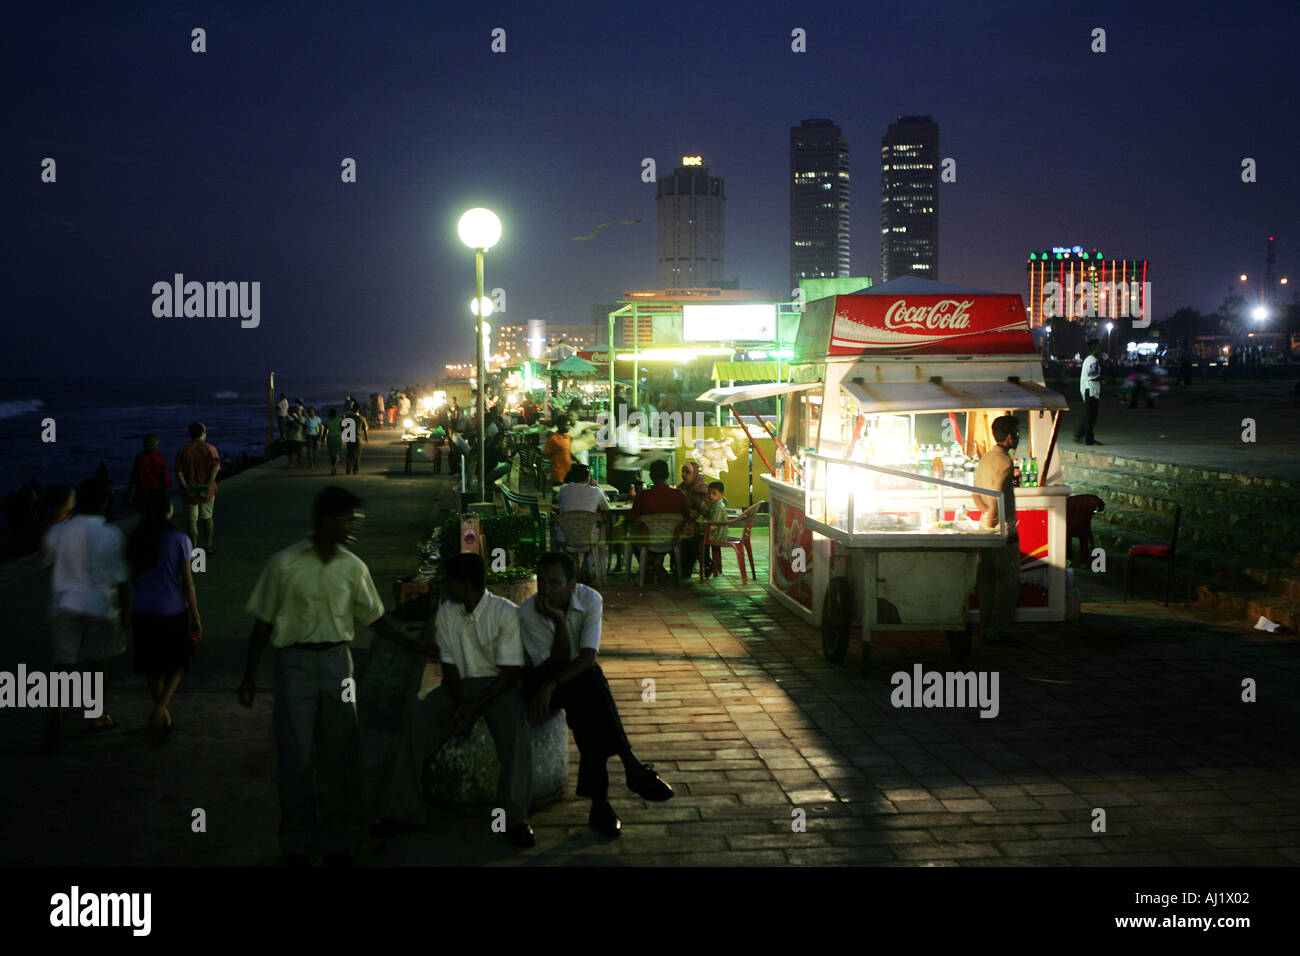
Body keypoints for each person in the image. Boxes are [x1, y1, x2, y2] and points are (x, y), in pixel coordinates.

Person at [238, 487, 430, 866]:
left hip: (338, 665)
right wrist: (249, 676)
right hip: (294, 666)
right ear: (327, 519)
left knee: (340, 754)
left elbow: (374, 618)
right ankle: (296, 840)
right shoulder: (284, 564)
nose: (353, 524)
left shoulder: (352, 566)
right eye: (347, 517)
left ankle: (338, 839)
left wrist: (414, 646)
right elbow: (263, 622)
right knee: (295, 757)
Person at [372, 552, 535, 849]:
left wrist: (475, 706)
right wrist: (462, 702)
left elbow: (511, 671)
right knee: (417, 722)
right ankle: (405, 812)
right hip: (457, 685)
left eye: (450, 581)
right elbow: (447, 664)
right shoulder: (447, 611)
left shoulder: (505, 612)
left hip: (497, 687)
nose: (445, 587)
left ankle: (514, 817)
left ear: (465, 585)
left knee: (515, 731)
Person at [518, 553, 673, 838]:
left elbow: (588, 657)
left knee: (589, 697)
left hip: (568, 680)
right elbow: (554, 662)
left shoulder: (590, 599)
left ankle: (602, 802)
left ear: (572, 585)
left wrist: (553, 682)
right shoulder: (529, 612)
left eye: (554, 583)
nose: (545, 589)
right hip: (538, 681)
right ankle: (629, 768)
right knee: (592, 688)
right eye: (541, 581)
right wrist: (560, 621)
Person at [40, 478, 130, 744]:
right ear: (105, 502)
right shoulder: (112, 534)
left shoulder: (59, 531)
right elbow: (121, 579)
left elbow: (44, 560)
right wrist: (126, 612)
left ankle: (56, 716)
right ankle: (97, 715)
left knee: (63, 665)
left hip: (64, 603)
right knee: (98, 663)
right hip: (99, 605)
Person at [126, 488, 200, 735]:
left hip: (143, 608)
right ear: (169, 511)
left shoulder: (135, 539)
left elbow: (133, 578)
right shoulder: (180, 539)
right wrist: (196, 616)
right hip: (172, 608)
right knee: (176, 663)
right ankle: (161, 710)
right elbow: (187, 581)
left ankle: (160, 709)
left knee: (151, 665)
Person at [972, 416, 1022, 648]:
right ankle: (997, 631)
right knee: (1008, 581)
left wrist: (985, 517)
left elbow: (976, 495)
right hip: (1003, 530)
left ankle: (985, 628)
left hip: (985, 529)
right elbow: (997, 495)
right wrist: (994, 519)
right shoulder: (1004, 462)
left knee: (986, 580)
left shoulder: (986, 458)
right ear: (1010, 436)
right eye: (1018, 433)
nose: (1019, 437)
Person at [626, 459, 690, 579]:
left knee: (633, 536)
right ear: (667, 475)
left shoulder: (643, 496)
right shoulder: (678, 494)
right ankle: (656, 563)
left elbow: (632, 517)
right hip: (672, 539)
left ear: (650, 476)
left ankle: (649, 565)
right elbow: (686, 516)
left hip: (648, 539)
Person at [174, 422, 220, 553]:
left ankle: (194, 550)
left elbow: (178, 471)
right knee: (207, 517)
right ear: (203, 433)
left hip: (190, 490)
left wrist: (185, 487)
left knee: (191, 521)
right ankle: (208, 546)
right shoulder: (210, 449)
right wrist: (207, 486)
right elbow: (214, 470)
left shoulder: (183, 451)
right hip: (207, 490)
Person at [677, 460, 711, 577]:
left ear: (695, 474)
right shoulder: (682, 487)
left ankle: (688, 567)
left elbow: (707, 511)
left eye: (688, 472)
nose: (684, 475)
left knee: (691, 533)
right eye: (683, 472)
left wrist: (693, 512)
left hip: (702, 524)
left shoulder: (702, 488)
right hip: (685, 521)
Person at [126, 434, 171, 510]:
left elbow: (134, 480)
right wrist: (167, 495)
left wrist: (130, 497)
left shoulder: (139, 459)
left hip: (142, 494)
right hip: (157, 494)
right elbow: (166, 479)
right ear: (156, 443)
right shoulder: (161, 458)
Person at [1072, 339, 1103, 445]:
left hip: (1088, 390)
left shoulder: (1088, 359)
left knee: (1088, 415)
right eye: (1099, 346)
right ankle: (1088, 439)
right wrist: (1103, 379)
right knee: (1091, 416)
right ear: (1095, 348)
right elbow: (1092, 376)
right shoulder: (1093, 360)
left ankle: (1080, 435)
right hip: (1091, 391)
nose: (1100, 348)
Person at [700, 480, 729, 576]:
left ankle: (708, 563)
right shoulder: (715, 505)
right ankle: (709, 563)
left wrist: (703, 527)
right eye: (709, 493)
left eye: (714, 493)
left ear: (721, 495)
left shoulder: (718, 507)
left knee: (700, 540)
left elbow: (714, 525)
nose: (710, 496)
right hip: (717, 533)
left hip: (718, 534)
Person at [542, 415, 573, 484]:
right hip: (558, 472)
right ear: (559, 425)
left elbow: (568, 451)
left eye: (569, 425)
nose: (568, 427)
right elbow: (545, 453)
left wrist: (577, 460)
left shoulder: (568, 437)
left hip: (568, 471)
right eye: (566, 425)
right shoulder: (553, 439)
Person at [343, 402, 368, 475]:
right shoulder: (361, 418)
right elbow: (365, 429)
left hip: (349, 437)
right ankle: (355, 469)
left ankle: (348, 469)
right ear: (358, 410)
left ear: (352, 409)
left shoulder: (347, 417)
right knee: (357, 454)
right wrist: (366, 438)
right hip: (358, 437)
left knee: (349, 453)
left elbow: (343, 427)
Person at [323, 408, 344, 476]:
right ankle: (333, 468)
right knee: (337, 454)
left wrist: (323, 439)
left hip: (330, 438)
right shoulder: (339, 420)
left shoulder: (327, 421)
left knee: (332, 455)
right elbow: (343, 429)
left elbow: (325, 431)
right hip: (337, 437)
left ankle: (334, 469)